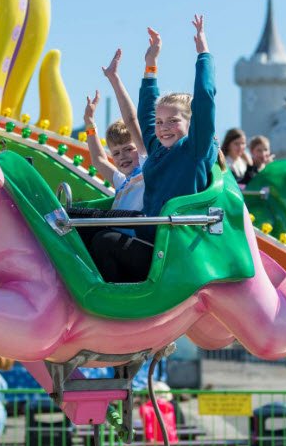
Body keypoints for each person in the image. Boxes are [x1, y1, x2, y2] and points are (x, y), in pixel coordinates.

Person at [90, 14, 218, 284]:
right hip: (149, 237)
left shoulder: (194, 151)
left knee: (104, 240)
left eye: (173, 121)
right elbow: (145, 111)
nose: (163, 127)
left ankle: (115, 309)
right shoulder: (157, 150)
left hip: (171, 250)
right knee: (77, 226)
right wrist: (150, 65)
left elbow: (205, 99)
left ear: (191, 123)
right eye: (160, 122)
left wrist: (203, 54)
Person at [84, 48, 147, 212]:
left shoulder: (147, 169)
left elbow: (131, 120)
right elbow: (99, 160)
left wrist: (114, 79)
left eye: (128, 149)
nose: (122, 156)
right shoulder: (122, 181)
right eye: (116, 153)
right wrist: (89, 122)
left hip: (134, 236)